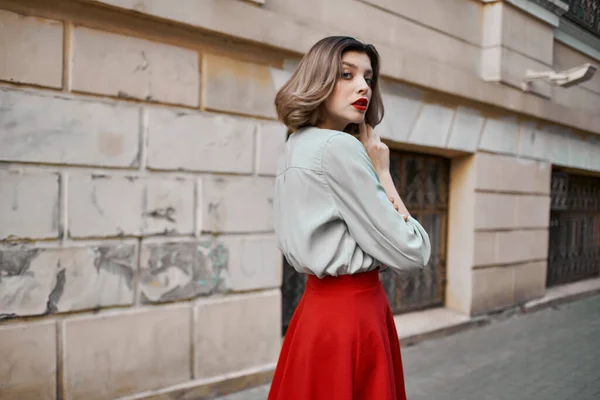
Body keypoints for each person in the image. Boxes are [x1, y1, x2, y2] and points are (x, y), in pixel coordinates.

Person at [269, 36, 432, 400]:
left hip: (315, 314)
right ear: (319, 80)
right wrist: (383, 172)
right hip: (354, 317)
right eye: (346, 74)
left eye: (369, 78)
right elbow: (413, 252)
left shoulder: (295, 144)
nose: (363, 86)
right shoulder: (337, 147)